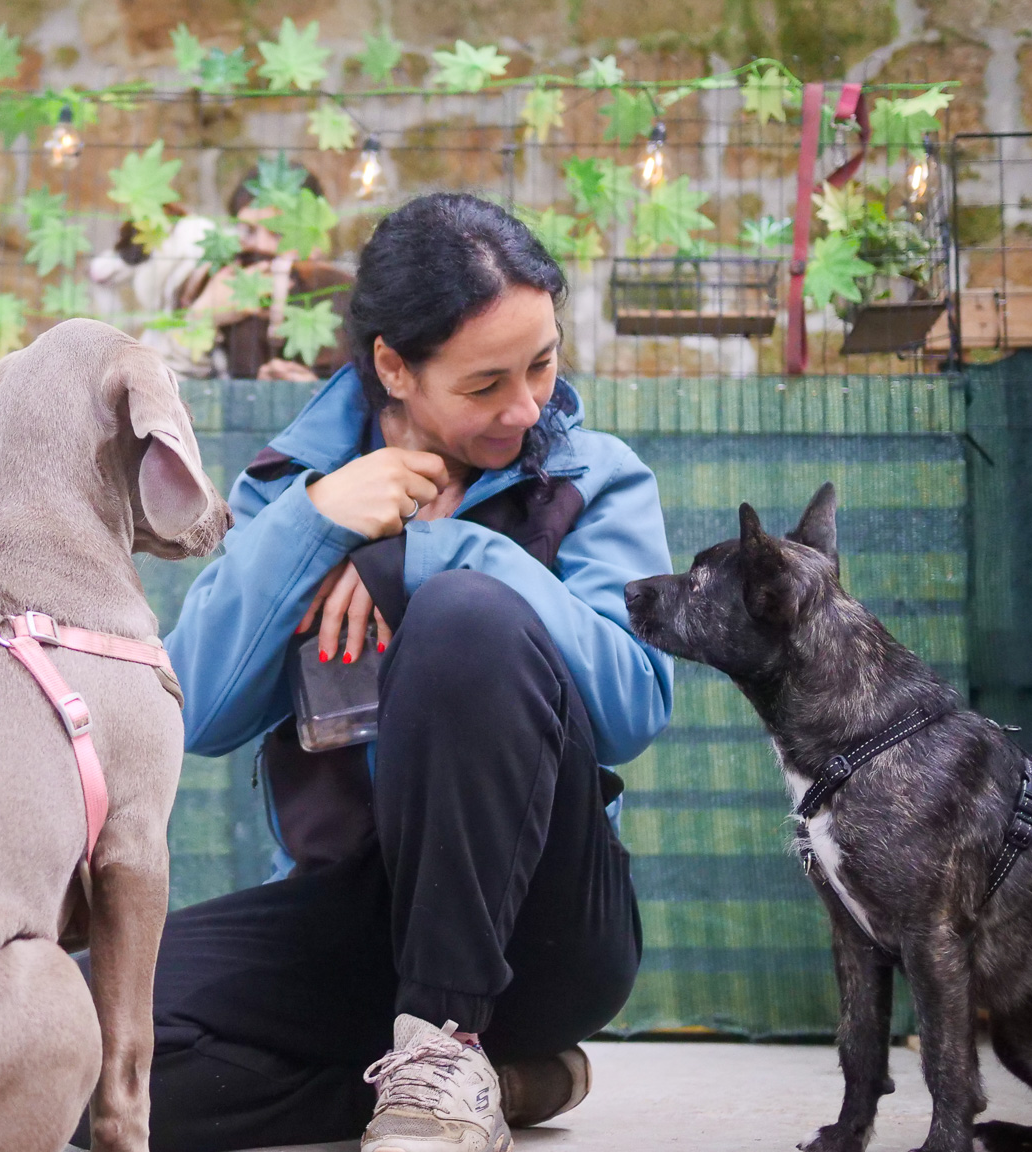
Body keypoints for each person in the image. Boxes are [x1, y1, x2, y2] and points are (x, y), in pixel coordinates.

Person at [130, 193, 675, 1152]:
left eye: (542, 364)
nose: (526, 407)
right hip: (353, 918)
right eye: (485, 384)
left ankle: (449, 1038)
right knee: (94, 1047)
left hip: (541, 935)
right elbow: (196, 712)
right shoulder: (292, 485)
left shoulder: (596, 477)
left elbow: (632, 706)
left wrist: (445, 556)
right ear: (392, 365)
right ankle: (489, 1088)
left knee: (467, 621)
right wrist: (317, 522)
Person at [181, 164, 355, 381]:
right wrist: (202, 314)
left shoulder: (344, 298)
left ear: (315, 239)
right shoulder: (211, 286)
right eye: (248, 231)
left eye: (279, 234)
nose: (261, 246)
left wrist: (311, 391)